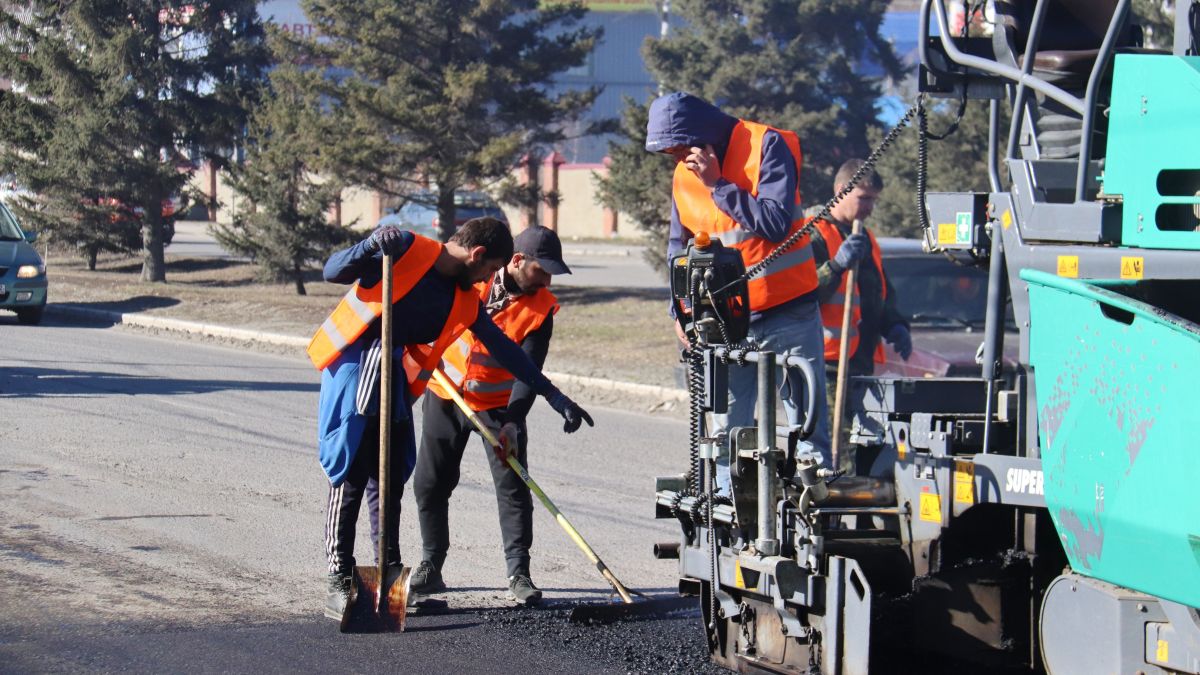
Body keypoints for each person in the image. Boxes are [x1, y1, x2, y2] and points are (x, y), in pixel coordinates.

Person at [309, 217, 593, 621]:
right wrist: (370, 245)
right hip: (355, 369)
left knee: (388, 479)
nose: (490, 277)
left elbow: (508, 352)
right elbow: (332, 271)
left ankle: (385, 582)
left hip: (392, 374)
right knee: (351, 472)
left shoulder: (463, 298)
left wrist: (553, 395)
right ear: (477, 256)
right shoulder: (405, 248)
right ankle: (339, 579)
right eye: (490, 269)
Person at [644, 91, 831, 479]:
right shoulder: (683, 174)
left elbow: (775, 223)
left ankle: (815, 520)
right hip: (727, 321)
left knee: (808, 430)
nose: (678, 160)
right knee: (729, 433)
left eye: (680, 149)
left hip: (787, 310)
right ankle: (737, 524)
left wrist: (718, 184)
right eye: (671, 155)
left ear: (703, 137)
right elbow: (678, 249)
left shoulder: (766, 145)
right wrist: (680, 311)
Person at [410, 225, 572, 606]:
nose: (546, 280)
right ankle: (431, 565)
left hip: (500, 408)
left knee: (514, 490)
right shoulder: (474, 276)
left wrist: (513, 422)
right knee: (430, 483)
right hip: (446, 394)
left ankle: (519, 575)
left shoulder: (541, 308)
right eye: (541, 270)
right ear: (517, 261)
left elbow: (529, 371)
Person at [808, 160, 911, 458]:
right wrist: (836, 266)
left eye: (874, 200)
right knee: (830, 450)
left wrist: (895, 324)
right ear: (841, 191)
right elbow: (799, 294)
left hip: (859, 362)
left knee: (861, 446)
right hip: (824, 363)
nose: (869, 208)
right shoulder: (812, 233)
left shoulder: (865, 238)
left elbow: (880, 292)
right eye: (864, 198)